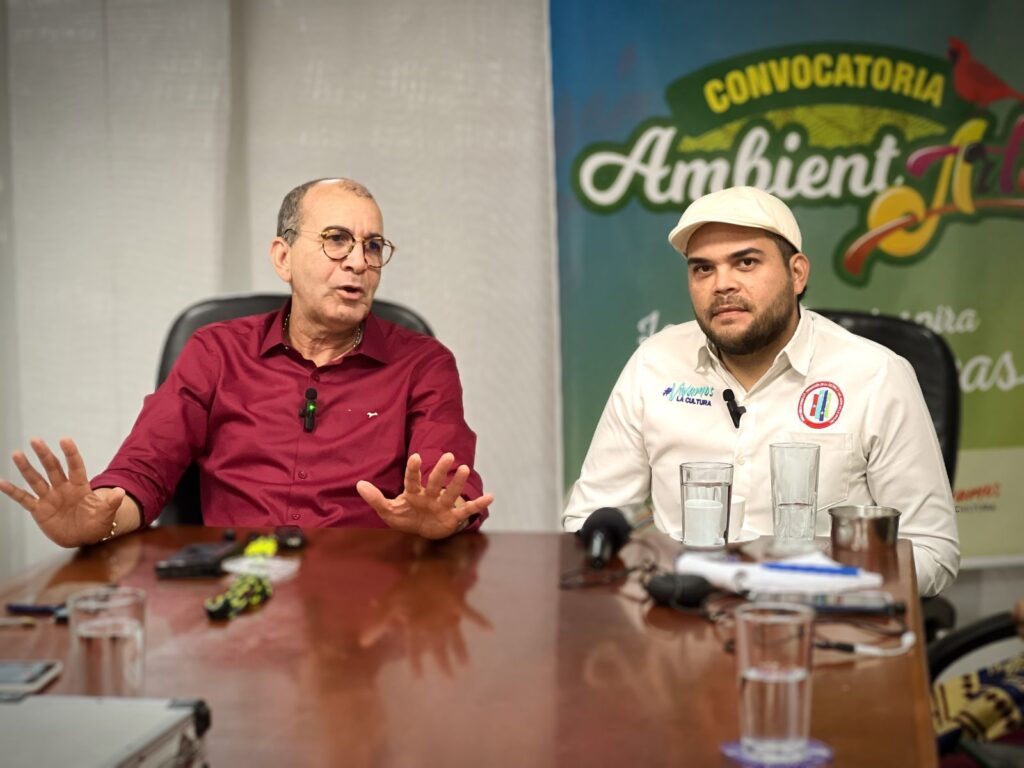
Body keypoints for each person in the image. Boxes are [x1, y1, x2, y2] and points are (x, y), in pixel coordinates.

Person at [1, 178, 492, 546]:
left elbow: (442, 486)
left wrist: (441, 521)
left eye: (372, 246)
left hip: (370, 601)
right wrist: (100, 519)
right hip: (234, 588)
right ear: (283, 257)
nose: (359, 262)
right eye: (337, 240)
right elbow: (146, 469)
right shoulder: (216, 351)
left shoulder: (423, 363)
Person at [562, 185, 959, 596]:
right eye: (702, 269)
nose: (722, 284)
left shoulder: (877, 375)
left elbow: (933, 553)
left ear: (798, 273)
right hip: (683, 621)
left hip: (822, 623)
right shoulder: (653, 364)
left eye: (746, 262)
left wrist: (816, 573)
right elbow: (588, 520)